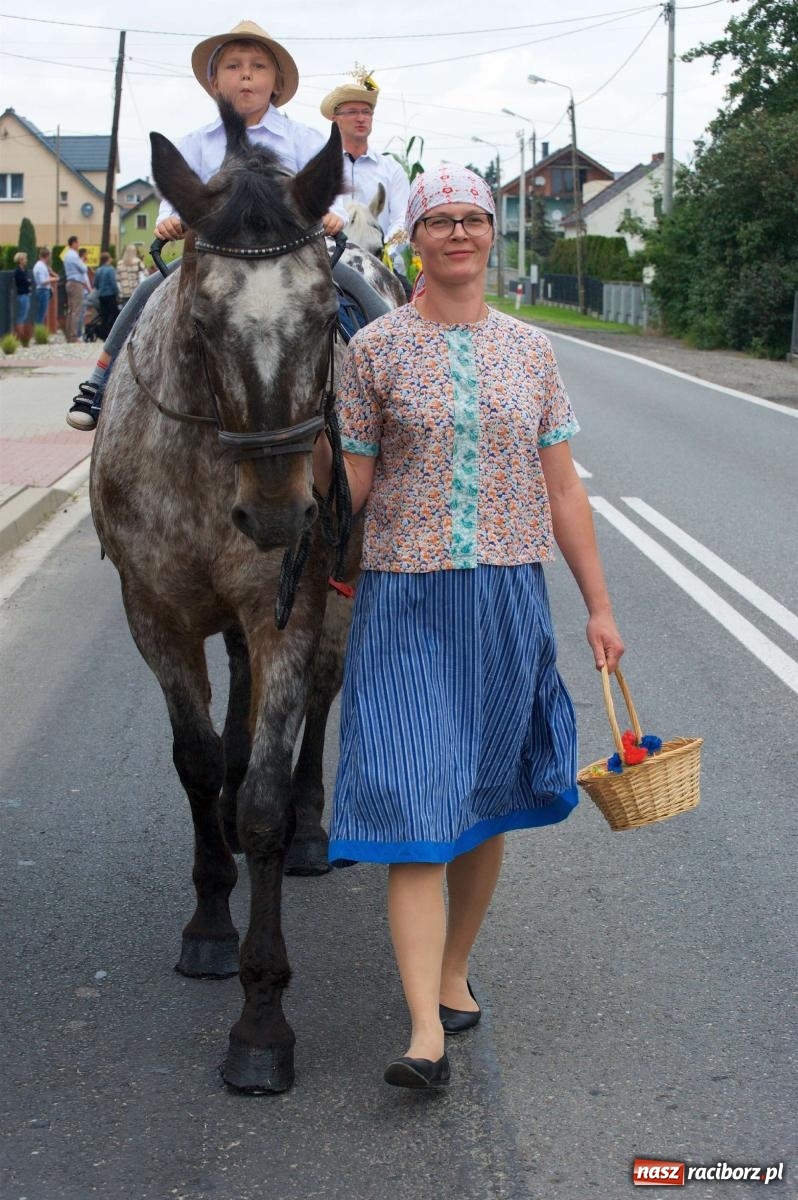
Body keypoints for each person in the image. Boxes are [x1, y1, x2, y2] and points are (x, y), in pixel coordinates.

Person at [312, 164, 625, 1092]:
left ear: (492, 234)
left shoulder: (532, 352)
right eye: (439, 220)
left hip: (505, 596)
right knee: (415, 804)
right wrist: (318, 454)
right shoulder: (372, 351)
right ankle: (422, 1033)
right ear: (415, 238)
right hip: (404, 595)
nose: (457, 233)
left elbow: (563, 488)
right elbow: (354, 490)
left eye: (472, 220)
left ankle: (452, 970)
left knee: (482, 800)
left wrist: (599, 606)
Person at [67, 19, 349, 431]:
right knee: (147, 290)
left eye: (257, 66)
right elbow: (173, 200)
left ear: (276, 83)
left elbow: (328, 187)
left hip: (294, 263)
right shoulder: (196, 143)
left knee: (357, 284)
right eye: (234, 66)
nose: (246, 74)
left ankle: (385, 374)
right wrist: (169, 222)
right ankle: (97, 383)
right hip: (215, 262)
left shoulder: (302, 139)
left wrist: (331, 211)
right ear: (215, 82)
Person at [320, 69, 409, 248]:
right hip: (330, 262)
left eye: (366, 112)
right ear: (335, 119)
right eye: (352, 112)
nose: (361, 118)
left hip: (382, 261)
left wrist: (382, 250)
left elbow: (402, 219)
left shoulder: (392, 170)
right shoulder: (320, 169)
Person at [62, 235, 90, 343]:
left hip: (69, 282)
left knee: (70, 310)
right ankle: (74, 336)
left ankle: (68, 334)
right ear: (73, 243)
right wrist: (84, 262)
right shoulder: (73, 256)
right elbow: (83, 268)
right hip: (76, 283)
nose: (79, 245)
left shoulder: (66, 255)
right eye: (78, 242)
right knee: (76, 310)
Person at [92, 251, 120, 340]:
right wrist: (117, 292)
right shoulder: (111, 269)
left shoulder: (98, 270)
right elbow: (113, 283)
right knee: (114, 313)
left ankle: (104, 335)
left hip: (101, 295)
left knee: (104, 315)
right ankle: (112, 333)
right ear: (108, 259)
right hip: (110, 295)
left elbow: (95, 283)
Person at [32, 247, 59, 327]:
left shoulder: (42, 266)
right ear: (47, 256)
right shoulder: (40, 266)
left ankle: (39, 331)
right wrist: (54, 279)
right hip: (42, 291)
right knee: (41, 313)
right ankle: (38, 332)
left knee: (42, 313)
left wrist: (51, 272)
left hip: (44, 290)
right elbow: (42, 281)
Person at [13, 251, 31, 327]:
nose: (26, 260)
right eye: (25, 259)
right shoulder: (18, 271)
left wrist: (28, 281)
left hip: (26, 294)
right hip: (22, 295)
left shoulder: (23, 270)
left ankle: (21, 334)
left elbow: (28, 281)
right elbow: (26, 282)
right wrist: (28, 281)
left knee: (24, 315)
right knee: (22, 316)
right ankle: (19, 335)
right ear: (20, 260)